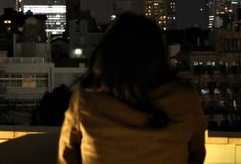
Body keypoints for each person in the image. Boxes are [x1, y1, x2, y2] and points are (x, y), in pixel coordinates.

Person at [57, 13, 206, 164]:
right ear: (158, 55)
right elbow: (197, 153)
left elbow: (66, 155)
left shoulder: (86, 100)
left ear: (107, 54)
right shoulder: (184, 97)